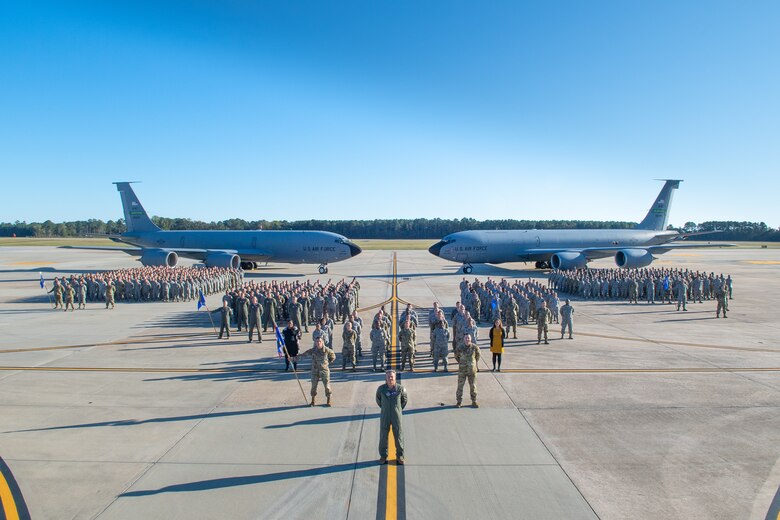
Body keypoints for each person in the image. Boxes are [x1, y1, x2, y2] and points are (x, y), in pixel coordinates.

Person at [376, 369, 407, 465]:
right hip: (385, 415)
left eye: (392, 377)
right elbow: (378, 400)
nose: (390, 378)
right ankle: (383, 456)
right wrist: (385, 408)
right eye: (388, 377)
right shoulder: (381, 389)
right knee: (383, 435)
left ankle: (400, 455)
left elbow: (404, 400)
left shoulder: (400, 389)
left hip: (396, 416)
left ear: (395, 378)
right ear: (386, 378)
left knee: (398, 435)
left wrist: (397, 410)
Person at [300, 337, 336, 406]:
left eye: (319, 341)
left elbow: (333, 356)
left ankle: (328, 400)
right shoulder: (313, 350)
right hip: (315, 371)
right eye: (317, 341)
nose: (318, 343)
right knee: (313, 386)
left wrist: (328, 363)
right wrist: (292, 359)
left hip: (324, 371)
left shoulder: (327, 350)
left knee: (327, 386)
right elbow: (303, 355)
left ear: (322, 342)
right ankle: (313, 400)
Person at [454, 334, 480, 408]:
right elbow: (456, 356)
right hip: (462, 370)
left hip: (472, 371)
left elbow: (478, 356)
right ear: (463, 339)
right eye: (466, 338)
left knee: (473, 386)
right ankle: (459, 402)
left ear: (470, 339)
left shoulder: (475, 347)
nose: (467, 339)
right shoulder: (460, 347)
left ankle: (474, 401)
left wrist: (473, 363)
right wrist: (461, 362)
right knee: (460, 386)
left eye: (468, 338)